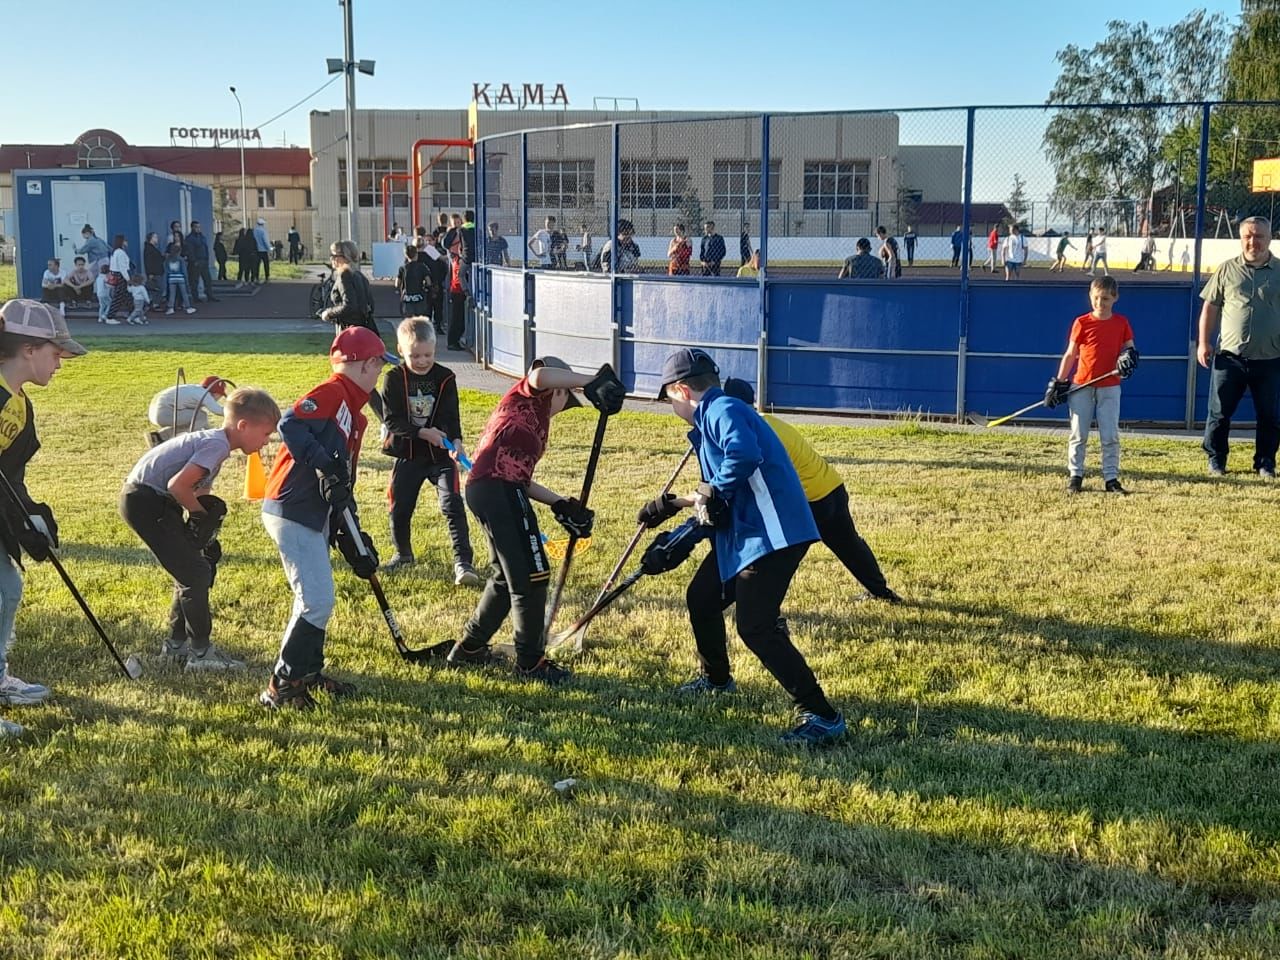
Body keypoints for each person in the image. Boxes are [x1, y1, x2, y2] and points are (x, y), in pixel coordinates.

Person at [643, 348, 846, 745]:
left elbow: (742, 456)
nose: (671, 406)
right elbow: (723, 493)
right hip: (747, 535)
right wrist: (678, 512)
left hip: (773, 535)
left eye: (669, 398)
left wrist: (709, 491)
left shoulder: (722, 409)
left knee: (755, 626)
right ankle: (716, 679)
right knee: (702, 596)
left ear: (682, 390)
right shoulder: (713, 418)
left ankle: (822, 715)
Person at [440, 356, 625, 683]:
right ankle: (530, 662)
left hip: (495, 488)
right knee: (533, 575)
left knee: (505, 577)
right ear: (557, 389)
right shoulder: (525, 395)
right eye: (565, 397)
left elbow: (521, 476)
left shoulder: (537, 421)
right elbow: (539, 373)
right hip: (497, 490)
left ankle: (469, 649)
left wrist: (561, 504)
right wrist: (590, 380)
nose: (563, 406)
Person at [258, 326, 396, 710]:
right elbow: (290, 424)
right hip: (293, 507)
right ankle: (281, 687)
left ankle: (307, 671)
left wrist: (353, 534)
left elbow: (340, 482)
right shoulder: (334, 391)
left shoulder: (354, 412)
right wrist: (324, 466)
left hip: (313, 511)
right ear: (367, 364)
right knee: (317, 601)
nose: (379, 374)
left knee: (311, 600)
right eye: (379, 366)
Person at [120, 387, 280, 671]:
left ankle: (177, 646)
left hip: (154, 501)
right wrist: (196, 515)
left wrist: (205, 531)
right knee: (195, 573)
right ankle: (201, 654)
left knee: (193, 566)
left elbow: (199, 489)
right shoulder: (216, 445)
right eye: (266, 434)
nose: (267, 442)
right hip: (145, 501)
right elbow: (178, 486)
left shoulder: (218, 446)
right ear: (243, 426)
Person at [715, 377, 902, 603]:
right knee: (850, 545)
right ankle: (881, 591)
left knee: (776, 558)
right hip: (831, 487)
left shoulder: (749, 429)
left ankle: (754, 608)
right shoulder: (770, 421)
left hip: (809, 502)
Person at [0, 299, 87, 737]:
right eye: (56, 353)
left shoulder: (18, 405)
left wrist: (28, 517)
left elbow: (9, 475)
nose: (60, 363)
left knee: (7, 588)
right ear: (29, 349)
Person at [380, 318, 480, 583]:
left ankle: (463, 563)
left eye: (428, 354)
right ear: (401, 351)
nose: (422, 361)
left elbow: (452, 416)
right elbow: (392, 421)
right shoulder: (393, 379)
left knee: (453, 505)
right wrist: (423, 432)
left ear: (435, 350)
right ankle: (403, 555)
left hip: (440, 457)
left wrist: (456, 441)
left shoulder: (446, 377)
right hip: (409, 455)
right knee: (400, 507)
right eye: (415, 355)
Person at [1197, 215, 1280, 478]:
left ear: (1269, 238)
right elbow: (1210, 306)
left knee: (1269, 415)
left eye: (1259, 236)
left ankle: (1266, 462)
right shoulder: (1226, 270)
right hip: (1229, 358)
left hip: (1270, 358)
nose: (1253, 241)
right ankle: (1216, 460)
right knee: (1219, 413)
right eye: (1247, 236)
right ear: (1241, 238)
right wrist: (1203, 342)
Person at [1043, 276, 1138, 494]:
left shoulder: (1121, 323)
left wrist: (1128, 359)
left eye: (1105, 298)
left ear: (1115, 298)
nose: (1100, 303)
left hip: (1110, 386)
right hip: (1082, 386)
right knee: (1078, 433)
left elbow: (1130, 350)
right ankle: (1075, 476)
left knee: (1110, 435)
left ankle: (1111, 478)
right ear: (1090, 296)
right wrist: (1059, 381)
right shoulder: (1082, 323)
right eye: (1096, 298)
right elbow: (1070, 354)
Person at [148, 375, 229, 442]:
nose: (220, 398)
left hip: (155, 412)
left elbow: (204, 424)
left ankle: (157, 437)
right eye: (220, 395)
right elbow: (218, 411)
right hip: (163, 412)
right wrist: (237, 410)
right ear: (216, 392)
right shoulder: (204, 394)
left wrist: (214, 434)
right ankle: (191, 442)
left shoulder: (196, 390)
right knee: (200, 416)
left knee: (197, 418)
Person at [318, 240, 377, 333]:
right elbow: (371, 305)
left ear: (344, 257)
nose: (331, 259)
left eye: (333, 256)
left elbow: (349, 305)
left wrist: (328, 313)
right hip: (364, 329)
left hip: (349, 331)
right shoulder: (360, 276)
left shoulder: (344, 276)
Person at [185, 220, 217, 302]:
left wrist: (207, 259)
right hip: (196, 262)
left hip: (204, 261)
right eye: (196, 227)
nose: (198, 229)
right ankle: (195, 297)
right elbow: (190, 251)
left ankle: (210, 295)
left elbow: (206, 248)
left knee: (207, 279)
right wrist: (194, 261)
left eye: (199, 227)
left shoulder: (202, 237)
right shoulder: (190, 238)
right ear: (192, 228)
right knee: (194, 280)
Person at [396, 244, 430, 317]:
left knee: (408, 320)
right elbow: (428, 282)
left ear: (406, 255)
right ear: (416, 254)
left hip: (407, 298)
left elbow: (397, 283)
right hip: (419, 298)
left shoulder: (402, 268)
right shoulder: (422, 266)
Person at [163, 243, 196, 316]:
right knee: (184, 293)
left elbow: (166, 270)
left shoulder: (168, 259)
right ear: (179, 251)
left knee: (172, 294)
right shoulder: (181, 259)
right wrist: (186, 280)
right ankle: (188, 308)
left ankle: (171, 308)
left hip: (171, 278)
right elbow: (184, 271)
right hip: (180, 278)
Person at [107, 234, 134, 320]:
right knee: (118, 297)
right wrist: (128, 279)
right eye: (125, 240)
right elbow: (123, 268)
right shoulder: (121, 253)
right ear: (122, 242)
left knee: (127, 296)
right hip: (121, 276)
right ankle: (110, 317)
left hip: (116, 275)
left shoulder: (115, 252)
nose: (127, 242)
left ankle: (133, 314)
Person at [446, 245, 468, 351]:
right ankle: (453, 341)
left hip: (455, 290)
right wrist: (466, 290)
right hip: (458, 291)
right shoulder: (461, 261)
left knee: (457, 318)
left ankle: (454, 341)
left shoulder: (456, 259)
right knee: (458, 319)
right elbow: (460, 276)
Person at [144, 233, 166, 306]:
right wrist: (150, 273)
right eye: (155, 237)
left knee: (157, 288)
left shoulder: (152, 248)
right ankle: (155, 304)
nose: (157, 239)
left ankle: (154, 303)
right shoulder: (149, 249)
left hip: (157, 272)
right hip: (155, 272)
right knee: (159, 288)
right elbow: (148, 261)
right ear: (151, 238)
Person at [253, 217, 271, 283]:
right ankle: (267, 276)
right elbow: (265, 240)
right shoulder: (263, 230)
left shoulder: (254, 230)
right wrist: (269, 248)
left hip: (256, 250)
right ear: (263, 224)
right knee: (266, 264)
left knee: (257, 264)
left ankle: (256, 277)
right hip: (263, 250)